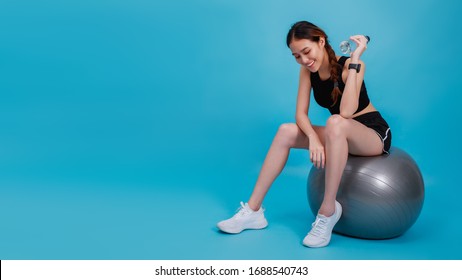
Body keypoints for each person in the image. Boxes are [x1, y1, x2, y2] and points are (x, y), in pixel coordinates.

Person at [216, 21, 392, 248]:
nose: (304, 60)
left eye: (306, 51)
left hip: (372, 133)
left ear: (321, 40)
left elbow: (347, 112)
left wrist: (356, 59)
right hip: (338, 131)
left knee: (336, 121)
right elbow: (300, 114)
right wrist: (313, 139)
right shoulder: (307, 71)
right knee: (285, 131)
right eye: (296, 56)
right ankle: (253, 210)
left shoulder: (351, 65)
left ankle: (328, 211)